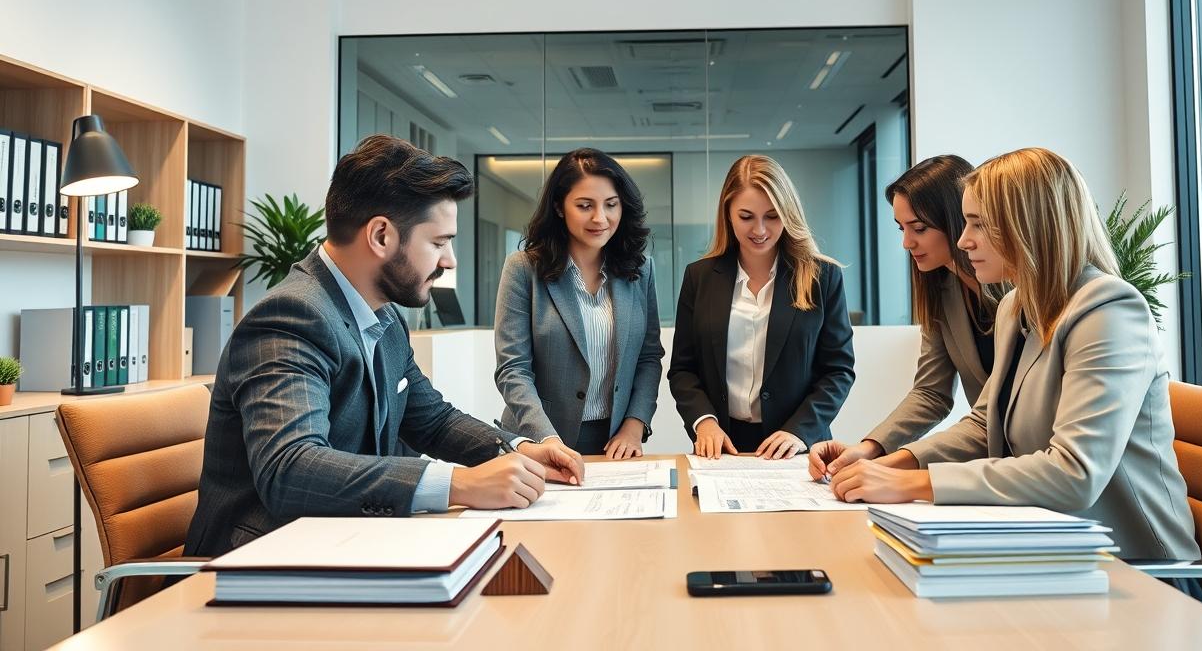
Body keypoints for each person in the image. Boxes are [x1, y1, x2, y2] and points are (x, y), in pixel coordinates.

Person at [184, 134, 583, 557]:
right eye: (438, 242)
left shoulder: (384, 317)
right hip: (257, 566)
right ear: (380, 236)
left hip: (345, 544)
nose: (450, 262)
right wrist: (458, 484)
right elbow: (290, 467)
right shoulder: (290, 317)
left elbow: (431, 420)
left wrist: (520, 450)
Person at [827, 147, 1199, 562]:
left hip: (1135, 566)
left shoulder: (1109, 309)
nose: (964, 240)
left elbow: (1074, 474)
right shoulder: (1016, 307)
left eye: (978, 225)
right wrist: (895, 464)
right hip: (1045, 540)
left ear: (1030, 225)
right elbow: (984, 424)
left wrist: (915, 483)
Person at [809, 155, 999, 480]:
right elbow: (931, 393)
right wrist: (869, 448)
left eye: (919, 228)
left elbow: (989, 417)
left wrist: (891, 469)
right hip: (1000, 463)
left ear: (957, 219)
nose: (907, 242)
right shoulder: (942, 290)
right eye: (902, 228)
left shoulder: (1017, 294)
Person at [669, 155, 855, 459]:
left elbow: (838, 371)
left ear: (788, 213)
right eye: (746, 216)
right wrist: (704, 422)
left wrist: (799, 430)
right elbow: (683, 370)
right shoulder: (699, 277)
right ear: (727, 213)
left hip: (795, 446)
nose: (759, 229)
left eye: (772, 216)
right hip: (722, 445)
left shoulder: (823, 277)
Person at [495, 148, 664, 458]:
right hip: (540, 440)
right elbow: (513, 369)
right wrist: (546, 438)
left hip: (615, 441)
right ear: (560, 208)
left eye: (611, 205)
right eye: (585, 206)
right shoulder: (523, 268)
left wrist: (634, 425)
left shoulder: (641, 270)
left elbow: (648, 357)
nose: (600, 218)